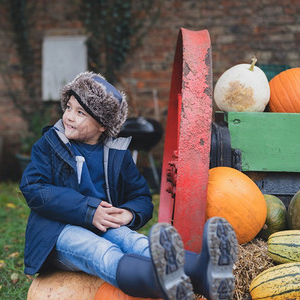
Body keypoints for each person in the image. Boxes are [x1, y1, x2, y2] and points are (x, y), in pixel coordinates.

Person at [20, 72, 238, 300]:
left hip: (102, 227)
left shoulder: (117, 154)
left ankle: (201, 272)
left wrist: (129, 214)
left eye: (80, 112)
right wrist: (87, 210)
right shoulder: (50, 145)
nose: (69, 117)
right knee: (101, 251)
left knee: (133, 241)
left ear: (102, 126)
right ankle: (159, 283)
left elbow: (142, 197)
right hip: (57, 234)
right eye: (68, 108)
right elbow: (33, 188)